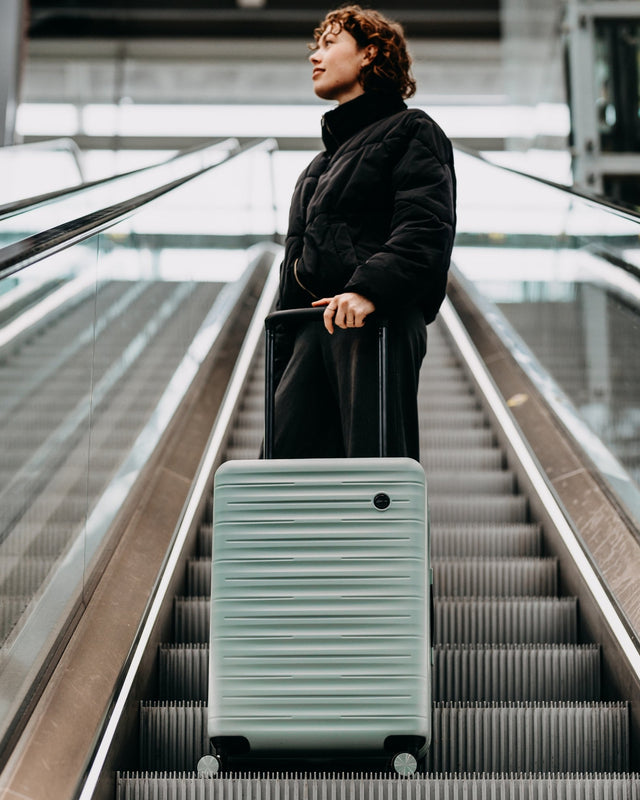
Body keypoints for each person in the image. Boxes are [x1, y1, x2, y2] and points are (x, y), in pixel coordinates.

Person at [271, 4, 456, 461]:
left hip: (375, 321)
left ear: (370, 54)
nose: (315, 55)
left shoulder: (413, 131)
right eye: (316, 45)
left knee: (372, 469)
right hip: (311, 327)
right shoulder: (318, 167)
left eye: (330, 43)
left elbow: (426, 228)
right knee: (284, 473)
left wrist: (369, 291)